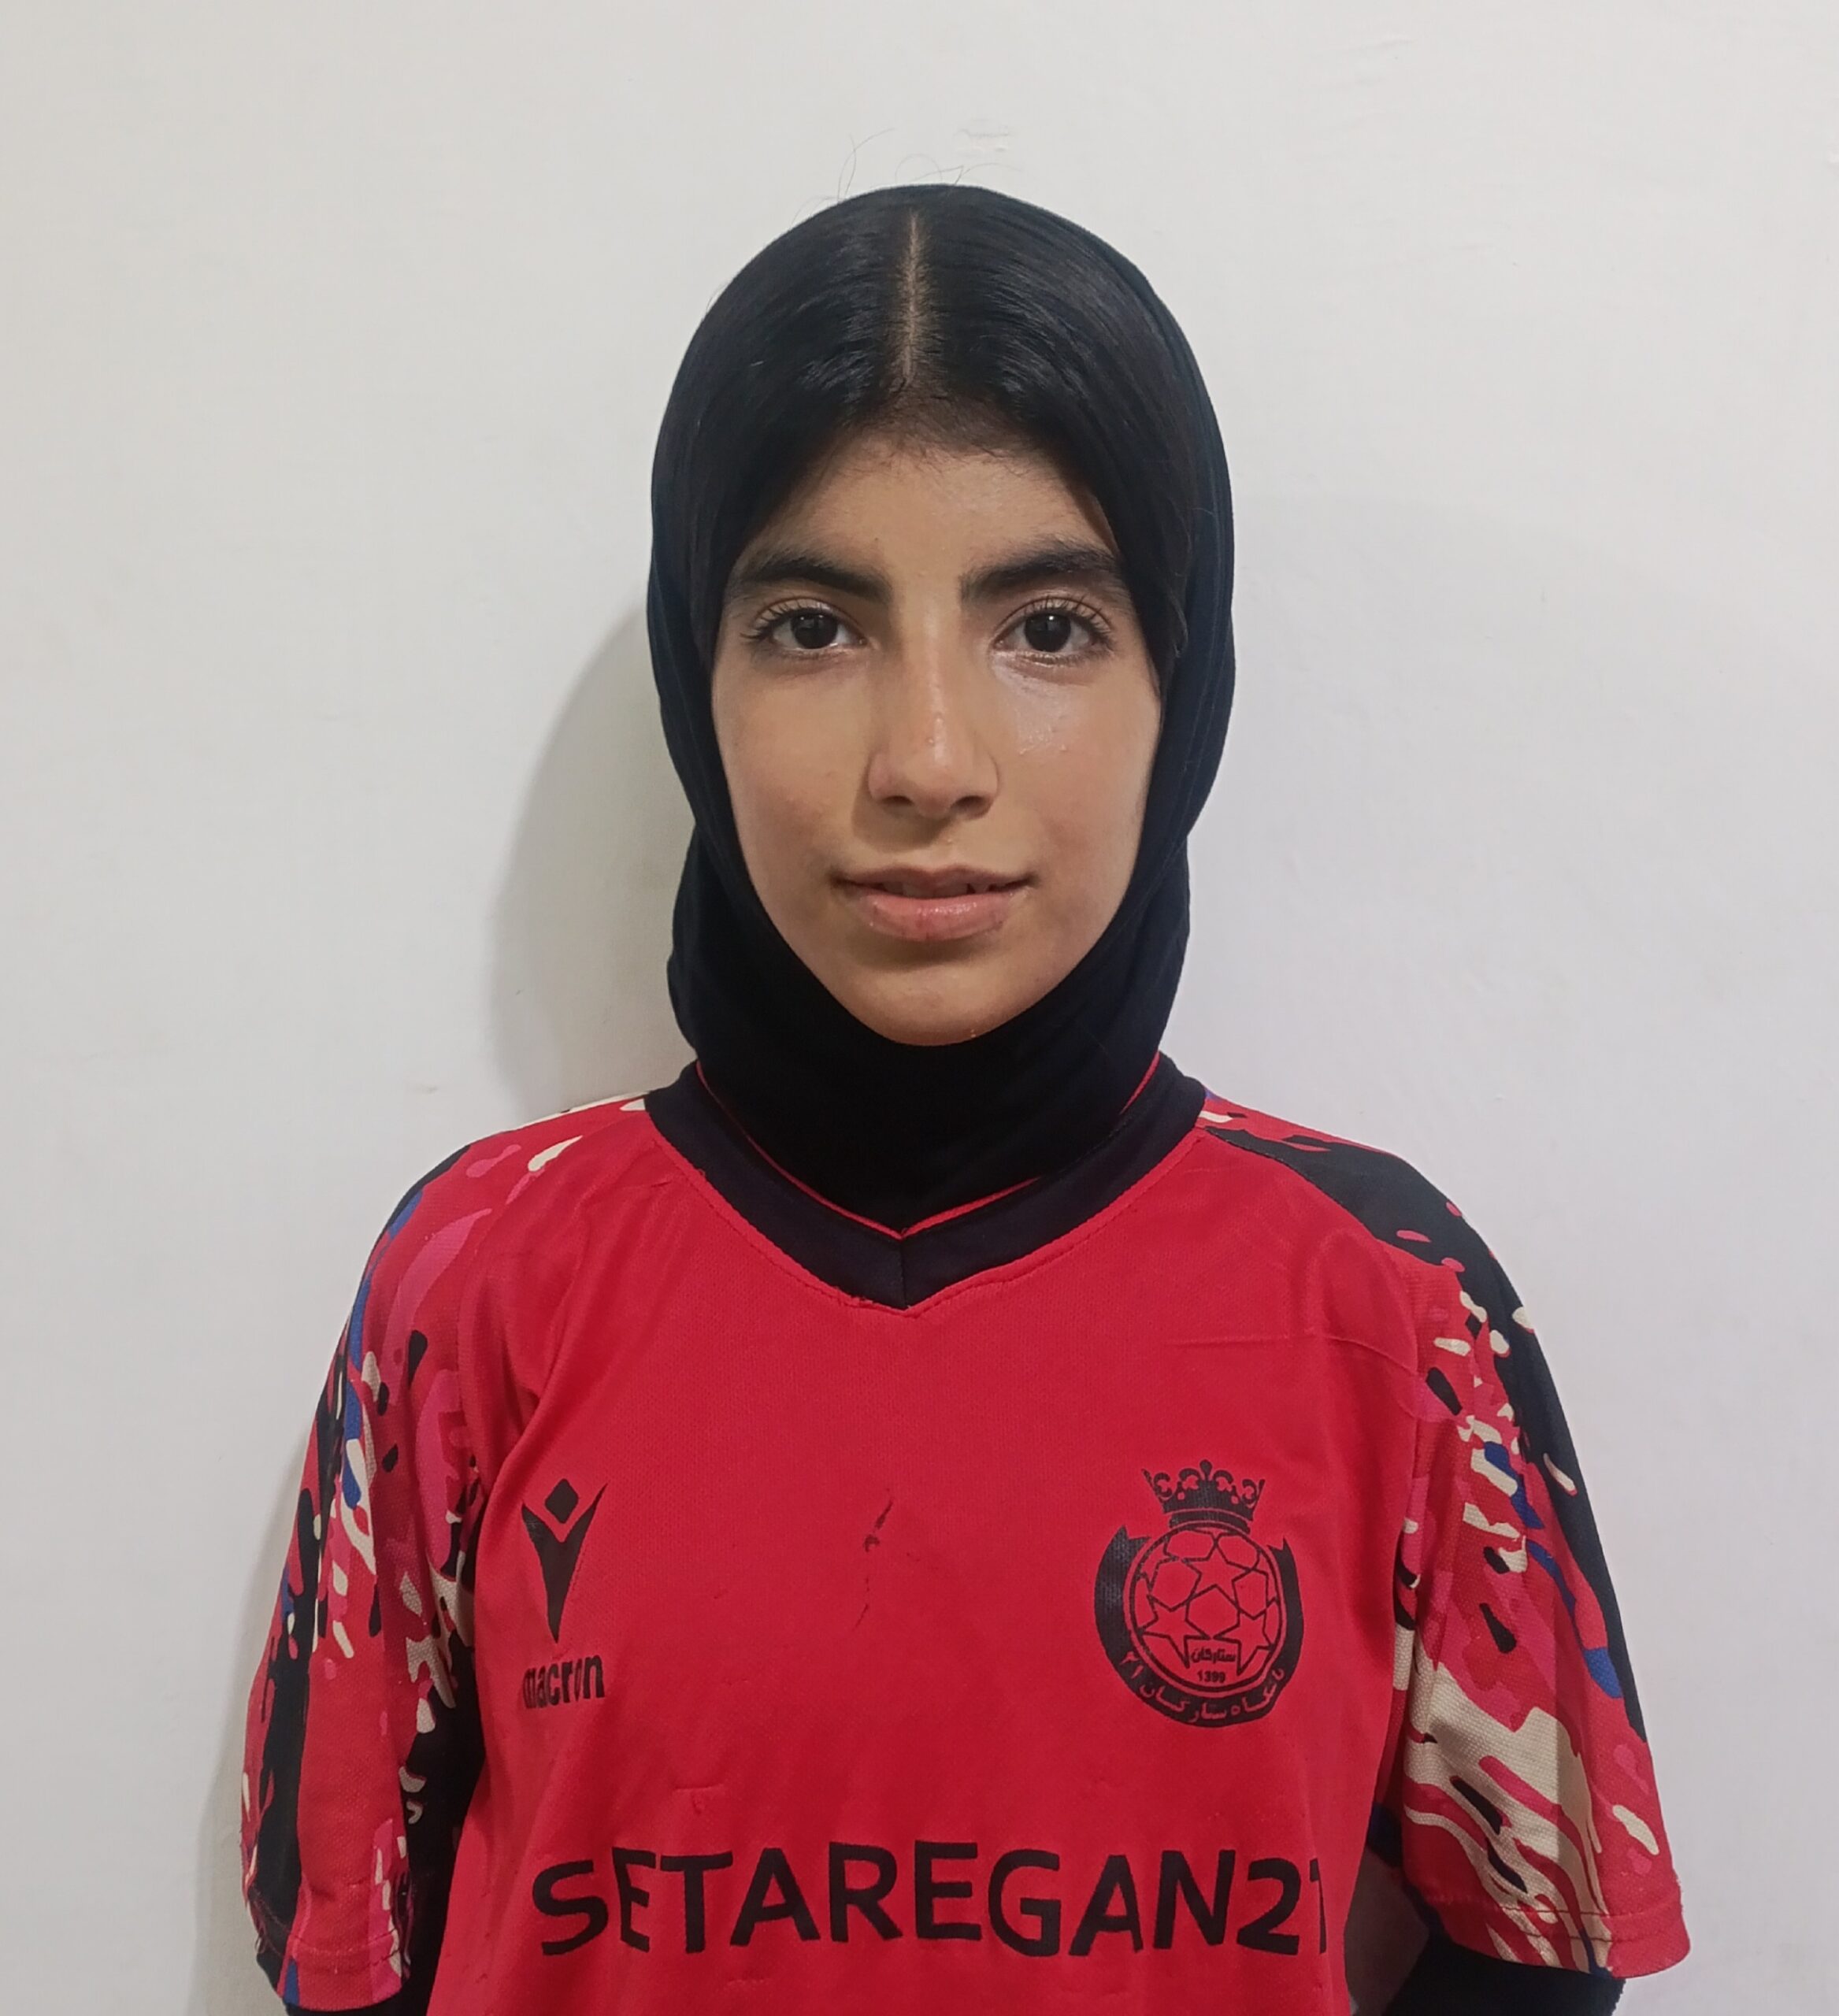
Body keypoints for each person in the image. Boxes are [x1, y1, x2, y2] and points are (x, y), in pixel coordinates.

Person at [238, 184, 1689, 2015]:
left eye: (1049, 626)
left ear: (1183, 680)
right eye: (812, 625)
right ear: (700, 675)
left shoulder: (1392, 1304)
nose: (927, 759)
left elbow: (1534, 1958)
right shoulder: (478, 1280)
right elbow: (344, 1950)